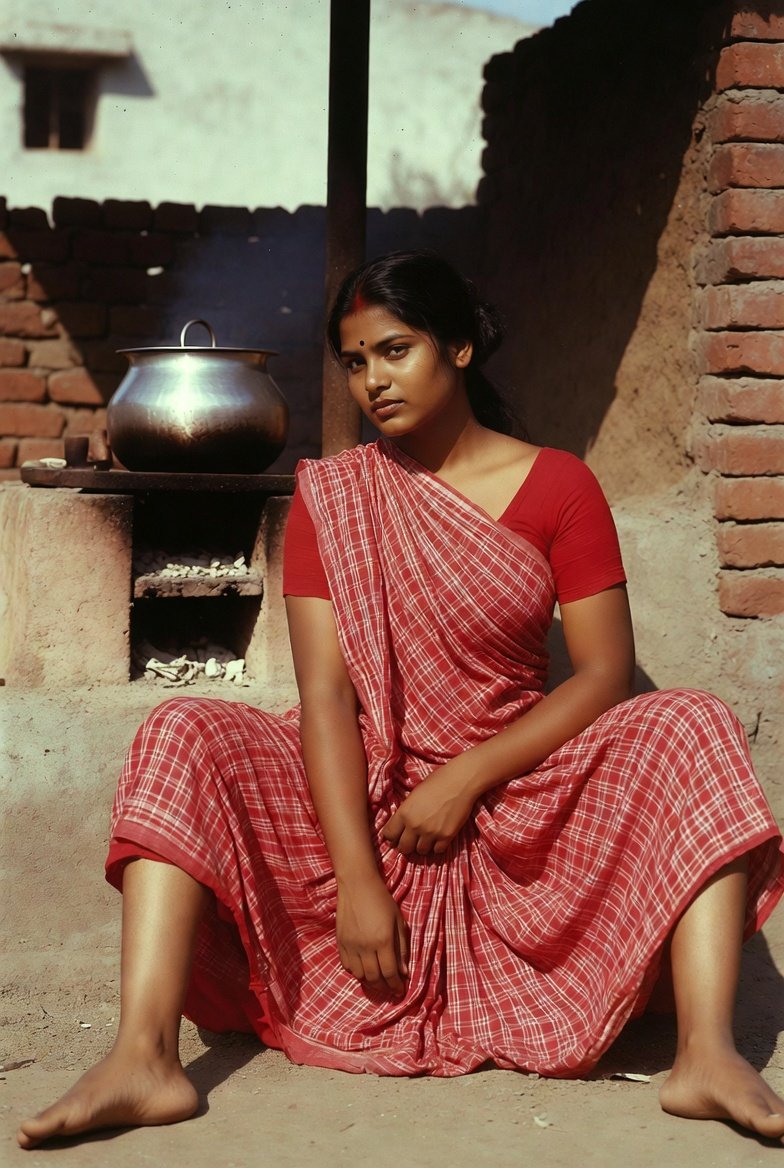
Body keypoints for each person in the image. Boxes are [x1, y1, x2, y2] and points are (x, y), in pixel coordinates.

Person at [17, 250, 784, 1149]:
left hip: (513, 793)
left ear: (458, 348)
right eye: (354, 360)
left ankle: (705, 1053)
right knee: (183, 727)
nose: (372, 380)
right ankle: (141, 1057)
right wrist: (358, 883)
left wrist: (466, 779)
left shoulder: (558, 486)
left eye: (395, 350)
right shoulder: (336, 498)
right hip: (366, 796)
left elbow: (607, 672)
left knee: (687, 719)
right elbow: (329, 696)